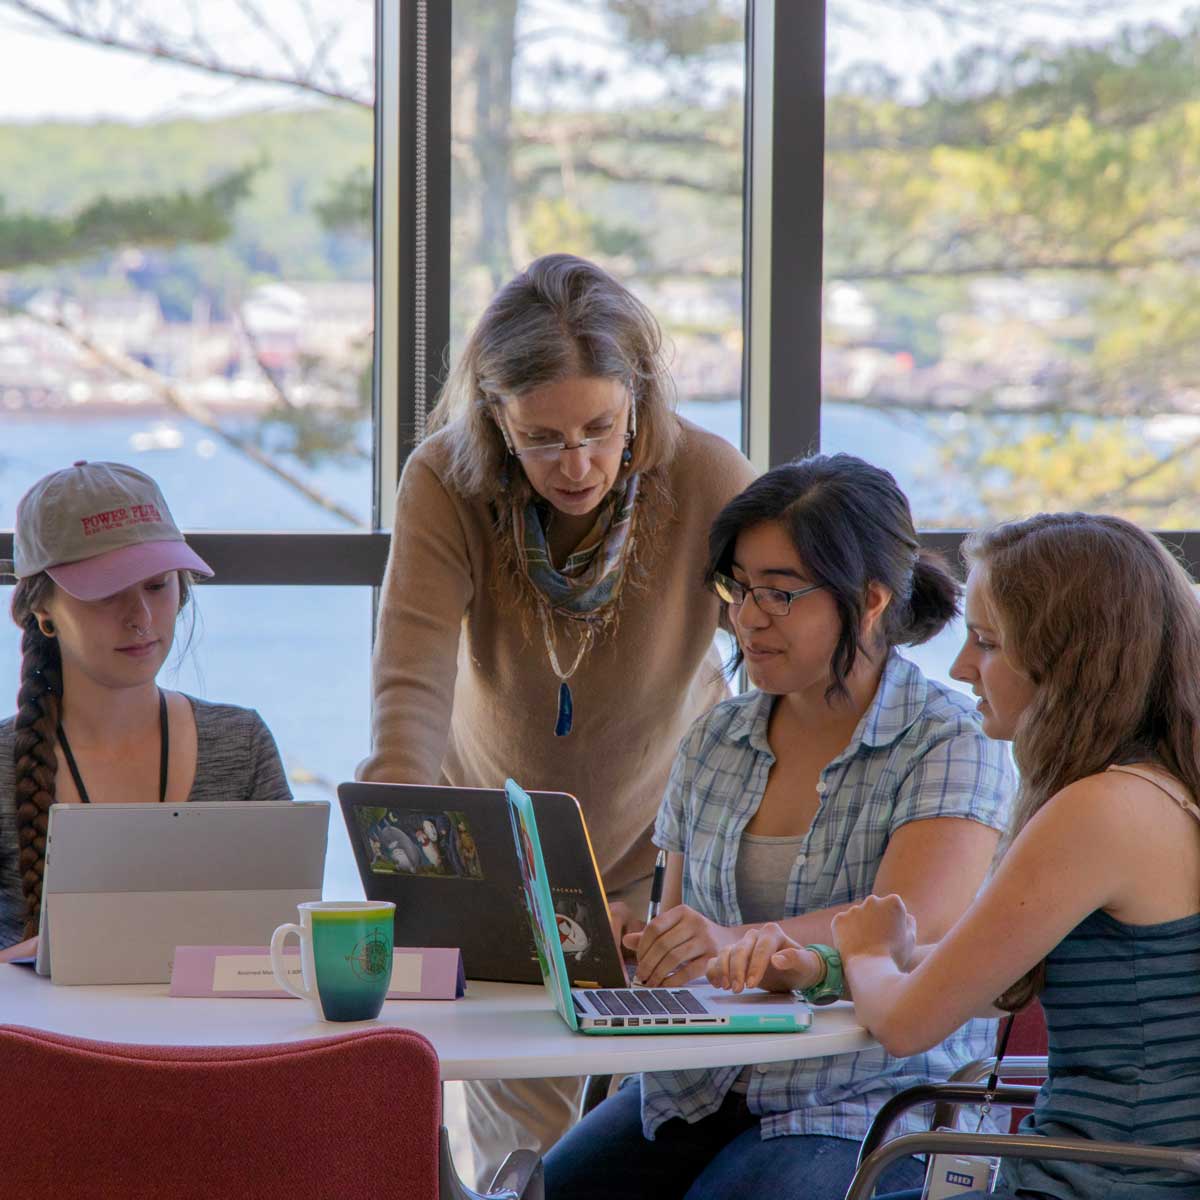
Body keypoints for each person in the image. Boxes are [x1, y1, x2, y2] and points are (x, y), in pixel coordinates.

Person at [357, 253, 756, 1183]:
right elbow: (410, 683)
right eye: (541, 437)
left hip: (669, 865)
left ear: (639, 402)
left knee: (646, 1143)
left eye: (599, 429)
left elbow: (781, 654)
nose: (575, 464)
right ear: (495, 418)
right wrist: (399, 864)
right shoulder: (445, 481)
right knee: (529, 1161)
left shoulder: (706, 475)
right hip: (502, 865)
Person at [543, 454, 1015, 1200]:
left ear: (869, 600)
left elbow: (913, 922)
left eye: (780, 593)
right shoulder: (716, 737)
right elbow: (680, 925)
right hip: (700, 1083)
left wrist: (731, 943)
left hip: (869, 1097)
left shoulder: (950, 739)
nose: (746, 615)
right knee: (548, 1192)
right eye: (738, 586)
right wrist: (639, 940)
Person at [800, 512, 1200, 1200]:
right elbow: (986, 983)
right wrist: (833, 966)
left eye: (985, 642)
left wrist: (866, 952)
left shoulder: (1100, 810)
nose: (960, 667)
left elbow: (906, 1024)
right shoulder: (1162, 792)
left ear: (1070, 662)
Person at [0, 461, 292, 960]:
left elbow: (290, 938)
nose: (140, 618)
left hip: (219, 1039)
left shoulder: (242, 744)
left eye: (157, 586)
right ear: (41, 608)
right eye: (108, 593)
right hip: (43, 1039)